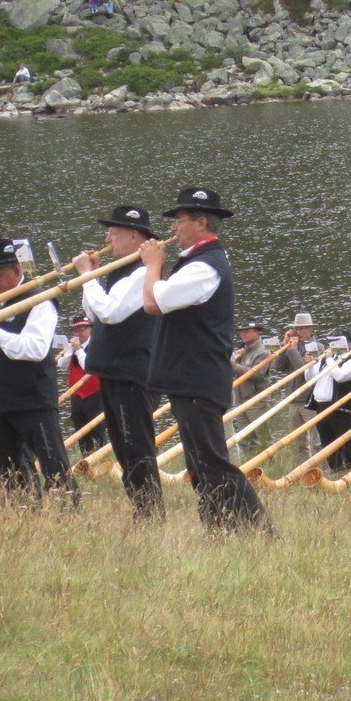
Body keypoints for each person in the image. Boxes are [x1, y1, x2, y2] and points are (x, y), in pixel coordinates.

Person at [140, 187, 272, 533]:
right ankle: (218, 529)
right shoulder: (199, 261)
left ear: (201, 223)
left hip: (198, 377)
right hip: (190, 377)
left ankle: (260, 529)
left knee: (212, 462)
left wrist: (152, 265)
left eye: (179, 220)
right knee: (199, 464)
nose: (173, 228)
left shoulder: (204, 267)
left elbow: (153, 302)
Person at [0, 239, 78, 507]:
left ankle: (68, 514)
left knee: (53, 465)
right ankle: (23, 514)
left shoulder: (39, 300)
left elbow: (34, 349)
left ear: (16, 271)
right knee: (7, 470)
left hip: (32, 399)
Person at [74, 206, 164, 519]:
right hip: (114, 373)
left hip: (132, 374)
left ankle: (150, 513)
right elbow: (95, 313)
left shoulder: (142, 272)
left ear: (135, 236)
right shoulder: (121, 270)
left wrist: (86, 276)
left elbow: (111, 312)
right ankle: (142, 510)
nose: (107, 239)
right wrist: (93, 277)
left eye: (113, 233)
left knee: (136, 445)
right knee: (123, 447)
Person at [304, 336, 351, 473]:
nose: (334, 345)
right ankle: (336, 470)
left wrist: (329, 359)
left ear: (350, 345)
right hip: (321, 406)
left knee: (345, 441)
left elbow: (340, 376)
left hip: (340, 409)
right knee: (327, 441)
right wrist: (310, 365)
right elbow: (310, 378)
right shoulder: (325, 360)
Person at [273, 312, 320, 462]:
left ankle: (323, 470)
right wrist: (284, 344)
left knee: (316, 441)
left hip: (309, 400)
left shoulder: (316, 347)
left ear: (310, 329)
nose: (298, 332)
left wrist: (292, 350)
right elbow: (277, 366)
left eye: (301, 329)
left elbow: (302, 370)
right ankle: (305, 470)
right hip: (293, 400)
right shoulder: (292, 346)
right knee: (300, 443)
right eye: (296, 329)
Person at [56, 314, 106, 455]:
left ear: (90, 330)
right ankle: (85, 459)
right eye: (76, 330)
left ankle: (101, 458)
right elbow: (61, 364)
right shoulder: (72, 348)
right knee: (80, 431)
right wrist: (70, 350)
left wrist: (78, 350)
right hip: (76, 396)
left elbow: (89, 366)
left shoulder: (97, 345)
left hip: (95, 395)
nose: (79, 333)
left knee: (97, 431)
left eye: (82, 329)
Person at [230, 319, 272, 461]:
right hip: (240, 400)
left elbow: (257, 374)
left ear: (256, 332)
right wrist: (235, 360)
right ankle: (251, 467)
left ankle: (271, 466)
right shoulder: (242, 351)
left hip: (257, 400)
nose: (242, 334)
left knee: (263, 437)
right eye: (241, 331)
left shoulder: (263, 352)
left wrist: (234, 365)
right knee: (244, 439)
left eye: (247, 331)